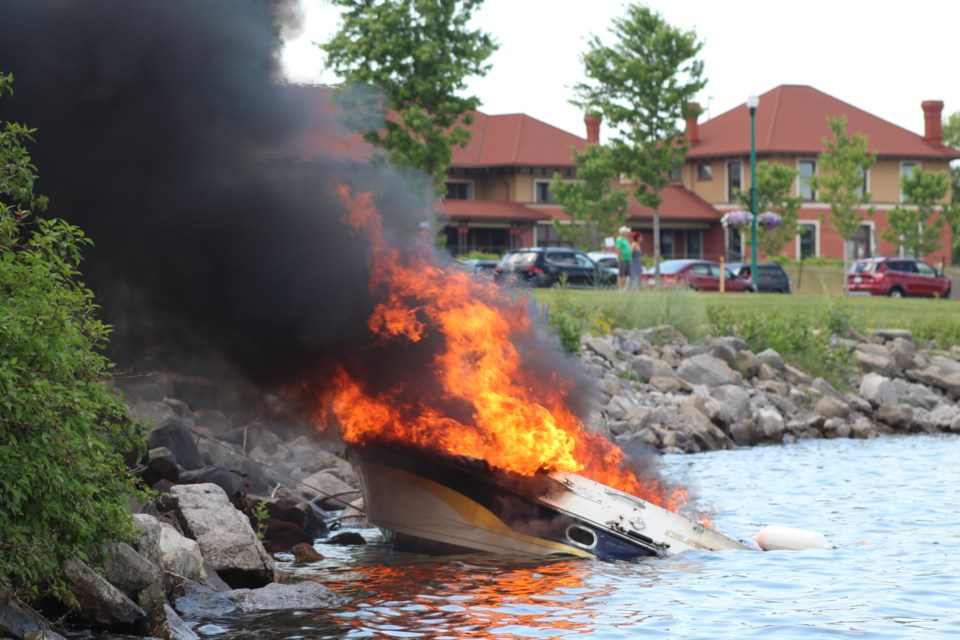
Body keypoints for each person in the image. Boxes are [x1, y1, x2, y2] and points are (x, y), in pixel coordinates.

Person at [614, 225, 632, 291]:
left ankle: (624, 287)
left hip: (628, 259)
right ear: (623, 232)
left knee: (626, 274)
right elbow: (617, 249)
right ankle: (620, 287)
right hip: (622, 259)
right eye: (627, 232)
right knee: (621, 274)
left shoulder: (625, 239)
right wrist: (620, 258)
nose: (628, 233)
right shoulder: (619, 239)